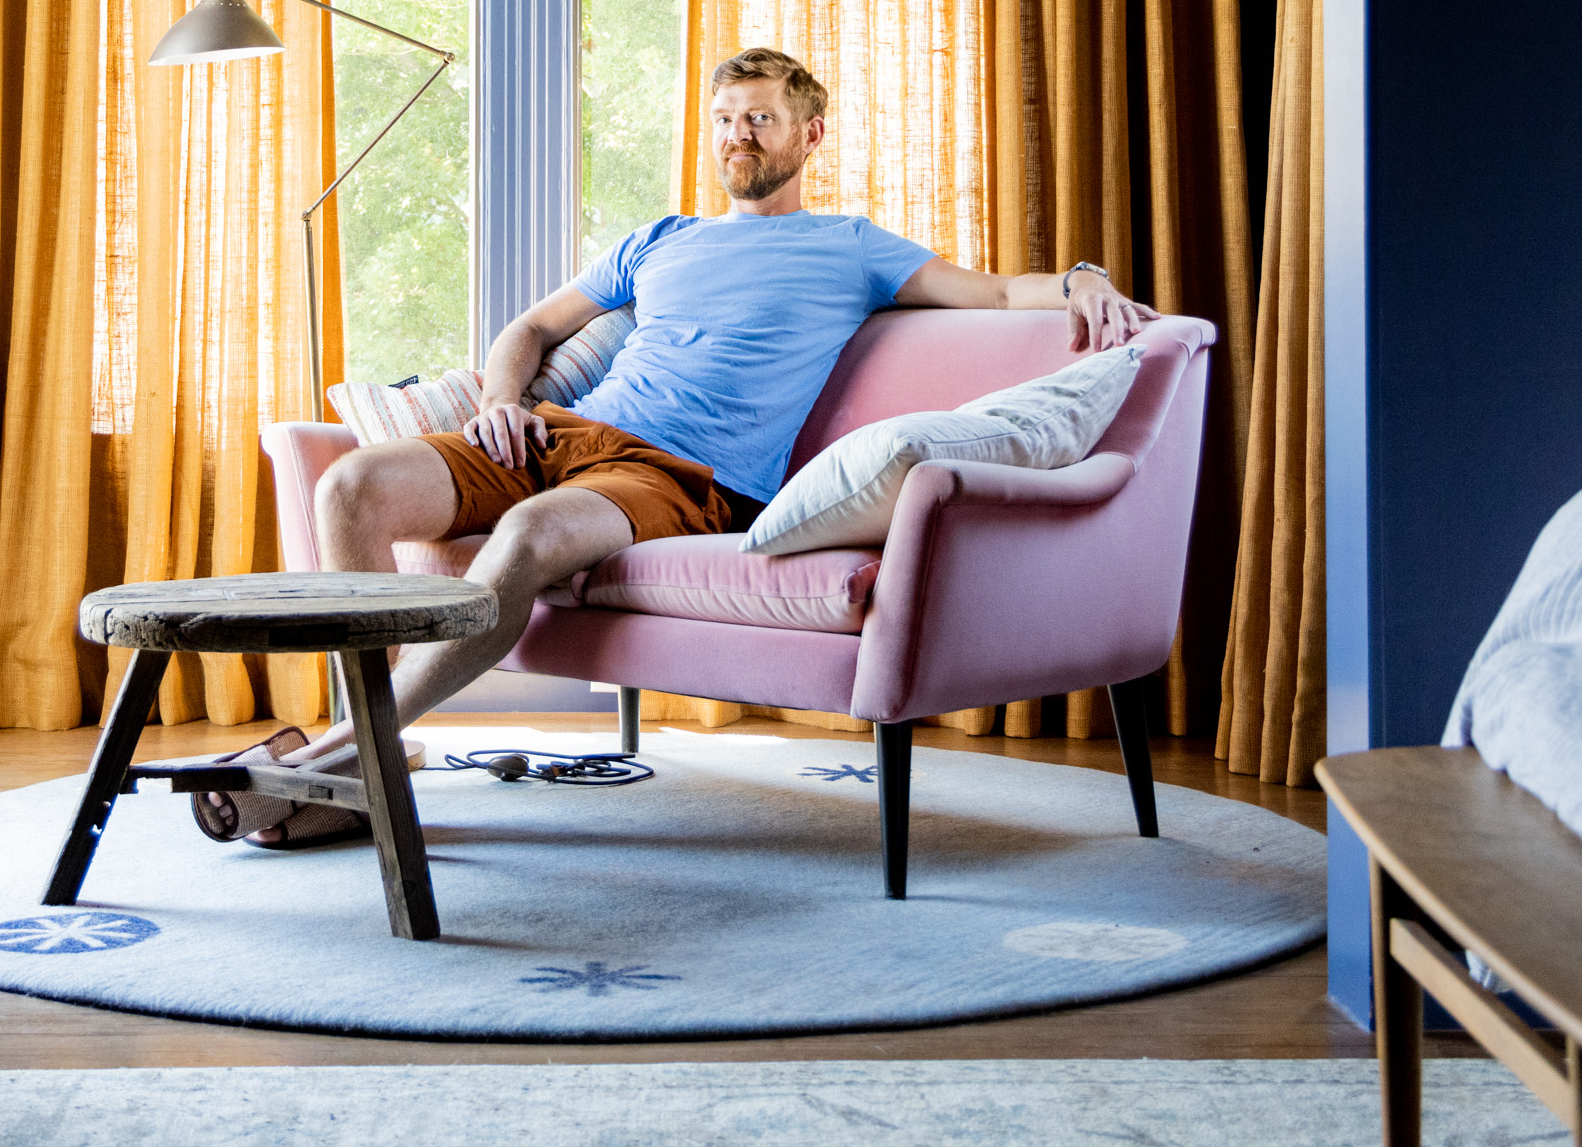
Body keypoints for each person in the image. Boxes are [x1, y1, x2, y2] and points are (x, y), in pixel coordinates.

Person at [208, 46, 1154, 844]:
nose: (738, 136)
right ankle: (374, 749)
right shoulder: (658, 238)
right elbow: (531, 327)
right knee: (351, 489)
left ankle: (345, 762)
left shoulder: (852, 246)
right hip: (559, 433)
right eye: (725, 120)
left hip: (679, 474)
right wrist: (502, 398)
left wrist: (1081, 278)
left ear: (807, 134)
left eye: (761, 119)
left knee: (530, 539)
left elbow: (992, 294)